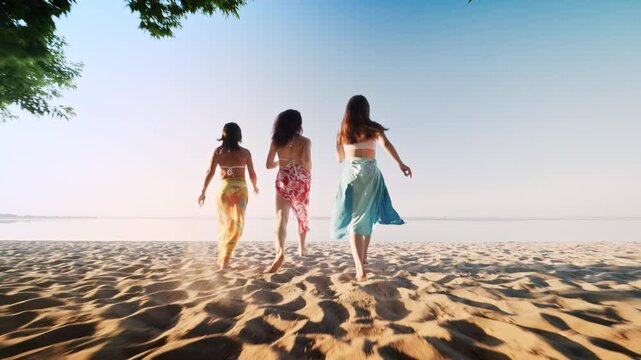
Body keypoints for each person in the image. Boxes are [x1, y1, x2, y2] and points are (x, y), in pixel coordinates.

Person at [332, 95, 412, 281]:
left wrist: (341, 145)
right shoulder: (373, 128)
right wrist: (401, 164)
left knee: (355, 219)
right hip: (370, 173)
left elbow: (339, 159)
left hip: (351, 174)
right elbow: (386, 145)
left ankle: (360, 265)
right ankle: (363, 259)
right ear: (366, 110)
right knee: (367, 216)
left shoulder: (343, 131)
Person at [198, 122, 258, 270]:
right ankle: (225, 261)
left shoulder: (218, 152)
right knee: (237, 226)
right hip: (240, 192)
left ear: (223, 135)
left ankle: (223, 259)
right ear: (239, 135)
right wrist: (255, 186)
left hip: (224, 190)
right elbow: (252, 173)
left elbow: (210, 172)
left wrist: (203, 191)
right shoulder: (245, 153)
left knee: (225, 225)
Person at [264, 109, 312, 273]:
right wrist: (306, 176)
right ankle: (301, 248)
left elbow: (268, 164)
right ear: (298, 124)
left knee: (281, 218)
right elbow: (307, 162)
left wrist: (280, 163)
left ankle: (279, 253)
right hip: (301, 181)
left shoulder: (276, 141)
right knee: (302, 213)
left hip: (284, 179)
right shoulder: (305, 141)